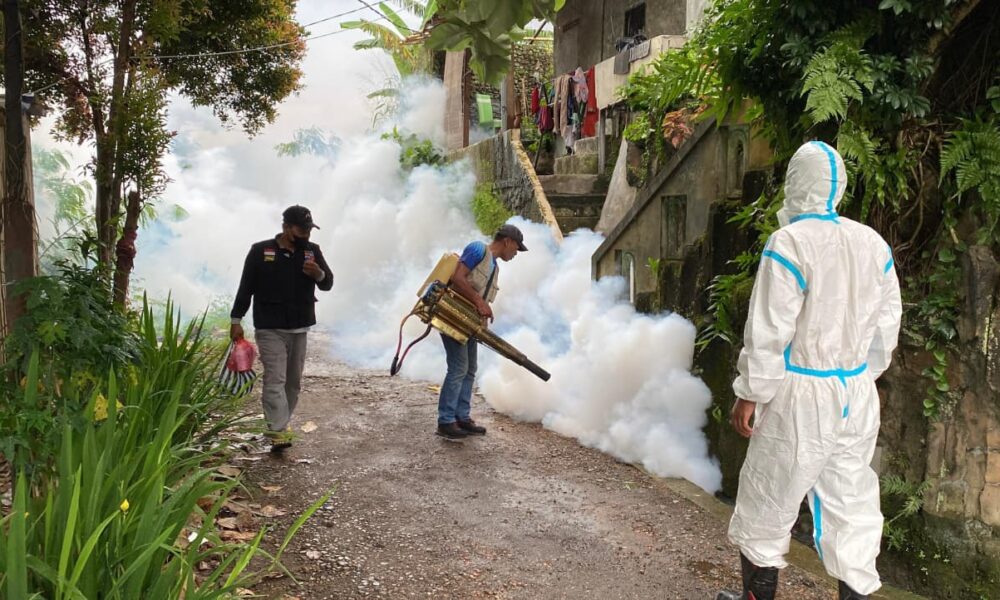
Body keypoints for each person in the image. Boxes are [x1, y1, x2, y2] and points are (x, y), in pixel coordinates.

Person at [717, 141, 902, 600]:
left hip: (799, 392)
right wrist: (859, 375)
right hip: (856, 394)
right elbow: (886, 326)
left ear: (795, 184)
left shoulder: (790, 243)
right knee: (852, 502)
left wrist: (751, 393)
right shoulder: (872, 243)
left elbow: (770, 330)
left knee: (767, 498)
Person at [230, 205, 334, 451]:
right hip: (270, 327)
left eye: (309, 229)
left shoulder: (312, 251)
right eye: (301, 229)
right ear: (286, 227)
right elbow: (246, 287)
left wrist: (317, 274)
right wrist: (236, 319)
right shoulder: (260, 251)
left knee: (293, 383)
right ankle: (277, 432)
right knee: (275, 379)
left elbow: (328, 283)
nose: (306, 235)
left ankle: (281, 423)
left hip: (300, 326)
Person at [436, 223, 527, 440]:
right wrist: (479, 302)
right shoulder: (478, 249)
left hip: (469, 322)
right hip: (453, 315)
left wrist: (482, 315)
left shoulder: (494, 266)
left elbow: (481, 297)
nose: (516, 253)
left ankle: (462, 417)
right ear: (507, 241)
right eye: (516, 248)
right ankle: (446, 421)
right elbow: (458, 278)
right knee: (459, 367)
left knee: (469, 369)